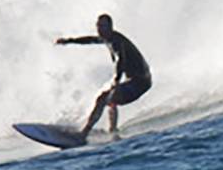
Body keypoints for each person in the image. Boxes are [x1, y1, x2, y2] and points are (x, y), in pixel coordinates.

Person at [55, 13, 152, 141]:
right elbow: (89, 40)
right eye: (98, 26)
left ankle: (83, 134)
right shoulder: (107, 38)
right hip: (138, 81)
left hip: (140, 83)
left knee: (103, 98)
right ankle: (113, 130)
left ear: (110, 27)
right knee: (111, 97)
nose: (99, 29)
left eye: (103, 26)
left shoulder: (116, 42)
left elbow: (120, 60)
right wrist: (69, 41)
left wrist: (116, 81)